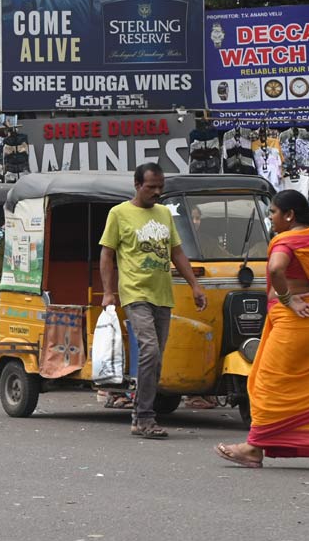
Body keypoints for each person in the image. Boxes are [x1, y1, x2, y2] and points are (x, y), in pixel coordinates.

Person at [216, 190, 309, 472]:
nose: (270, 217)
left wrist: (287, 298)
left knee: (266, 382)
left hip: (297, 320)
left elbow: (276, 269)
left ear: (289, 215)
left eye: (273, 212)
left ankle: (253, 447)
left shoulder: (286, 240)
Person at [99, 163, 208, 439]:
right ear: (137, 185)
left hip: (163, 295)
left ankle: (140, 413)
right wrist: (109, 292)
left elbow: (177, 252)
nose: (157, 192)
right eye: (151, 187)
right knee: (149, 350)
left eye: (161, 187)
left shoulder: (164, 214)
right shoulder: (119, 213)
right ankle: (145, 416)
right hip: (135, 293)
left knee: (156, 358)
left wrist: (196, 286)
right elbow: (107, 254)